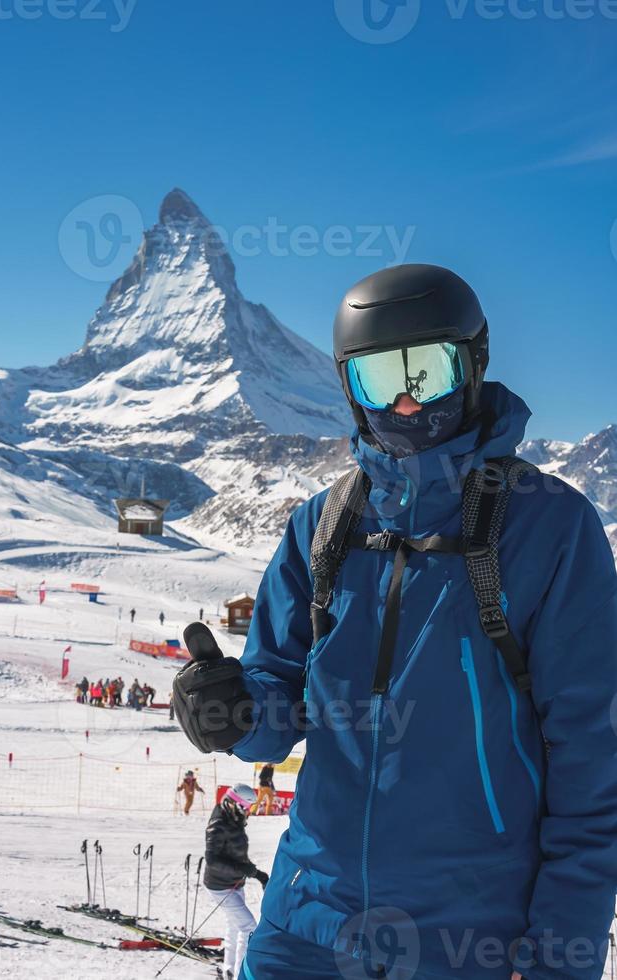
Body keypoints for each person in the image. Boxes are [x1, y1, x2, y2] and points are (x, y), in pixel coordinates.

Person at [173, 264, 617, 980]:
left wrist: (560, 953)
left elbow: (592, 759)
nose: (406, 403)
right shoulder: (322, 526)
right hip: (306, 923)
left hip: (471, 938)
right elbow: (279, 703)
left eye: (426, 372)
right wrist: (229, 708)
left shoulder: (549, 527)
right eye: (380, 379)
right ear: (348, 386)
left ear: (471, 365)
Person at [204, 784, 268, 980]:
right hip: (221, 886)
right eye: (246, 808)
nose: (248, 812)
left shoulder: (233, 818)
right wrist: (246, 870)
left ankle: (229, 971)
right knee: (249, 927)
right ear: (235, 804)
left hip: (234, 883)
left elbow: (236, 853)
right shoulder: (218, 824)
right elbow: (212, 860)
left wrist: (257, 873)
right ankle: (241, 973)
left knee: (234, 926)